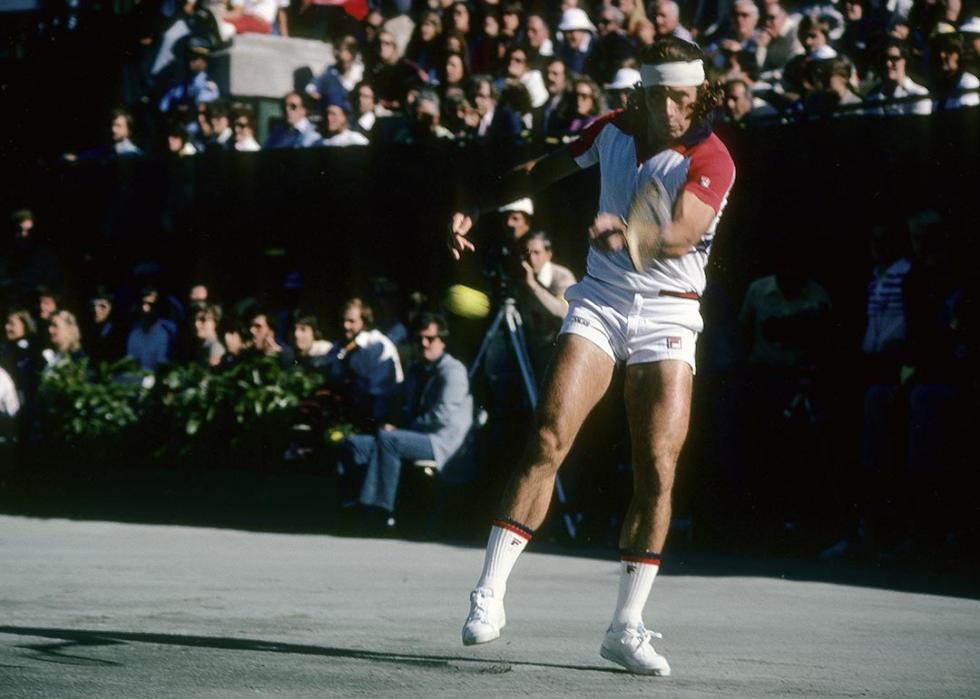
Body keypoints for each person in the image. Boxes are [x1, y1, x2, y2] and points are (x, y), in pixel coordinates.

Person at [449, 37, 734, 675]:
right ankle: (488, 594)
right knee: (548, 437)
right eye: (665, 97)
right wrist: (477, 203)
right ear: (645, 93)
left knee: (658, 465)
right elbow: (540, 171)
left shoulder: (713, 157)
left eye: (687, 99)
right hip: (601, 301)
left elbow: (682, 232)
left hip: (670, 311)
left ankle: (626, 627)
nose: (676, 111)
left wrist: (628, 232)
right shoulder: (611, 128)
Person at [338, 313, 473, 526]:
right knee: (355, 444)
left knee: (389, 440)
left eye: (430, 339)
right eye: (419, 339)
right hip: (415, 435)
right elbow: (403, 406)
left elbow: (441, 415)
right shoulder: (414, 370)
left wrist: (402, 428)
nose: (424, 344)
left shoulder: (453, 370)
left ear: (443, 341)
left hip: (442, 442)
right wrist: (392, 423)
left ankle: (381, 510)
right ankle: (351, 506)